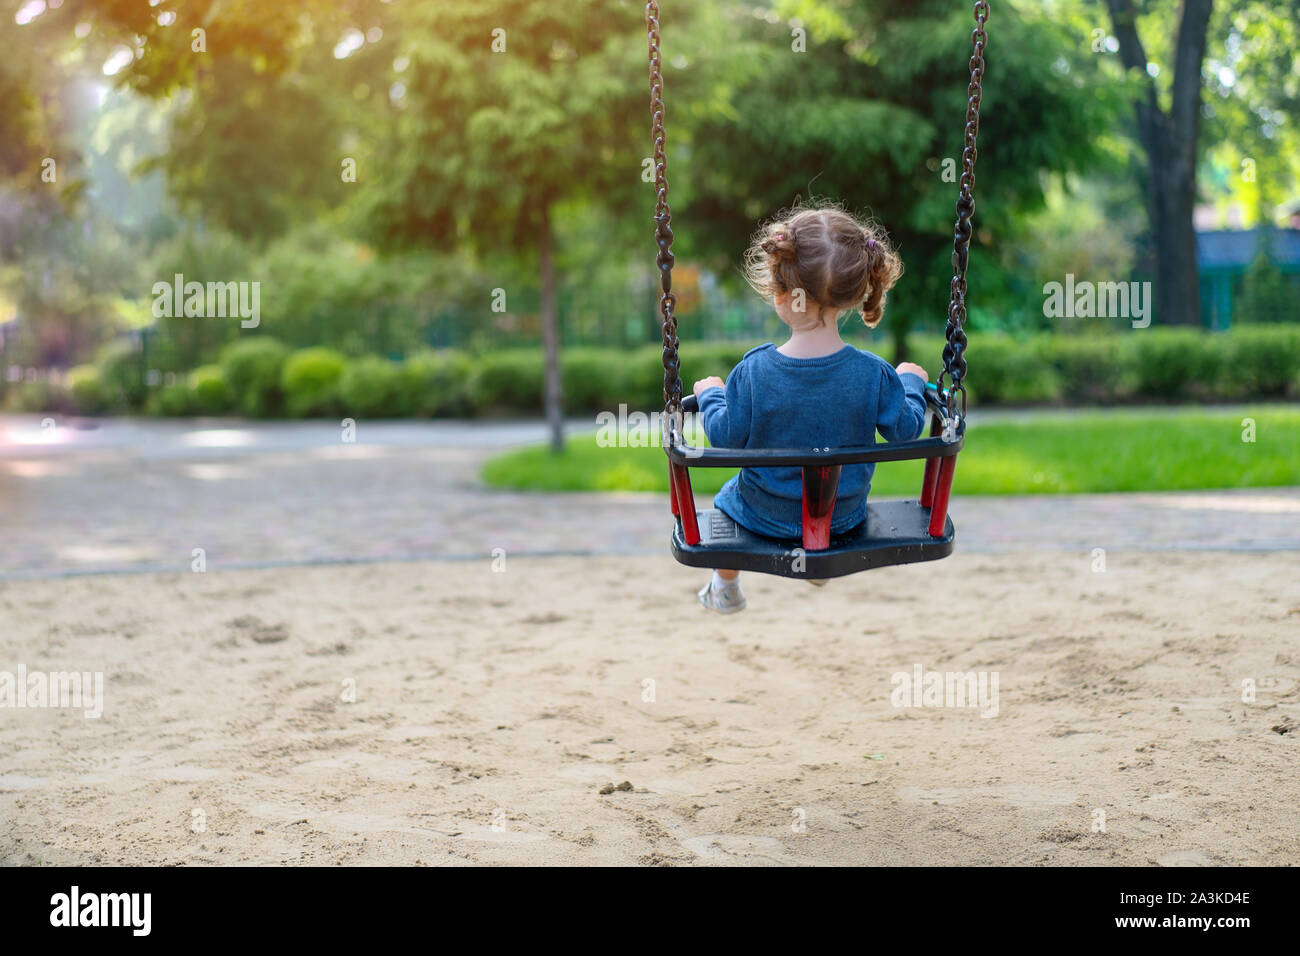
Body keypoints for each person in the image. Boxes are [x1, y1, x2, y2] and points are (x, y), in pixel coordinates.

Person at [693, 204, 929, 613]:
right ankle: (817, 557)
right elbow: (906, 430)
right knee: (817, 506)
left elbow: (725, 435)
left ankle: (725, 588)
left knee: (725, 502)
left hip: (762, 515)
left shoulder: (753, 371)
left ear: (782, 294)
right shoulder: (873, 374)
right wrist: (910, 380)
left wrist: (711, 394)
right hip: (843, 517)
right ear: (854, 295)